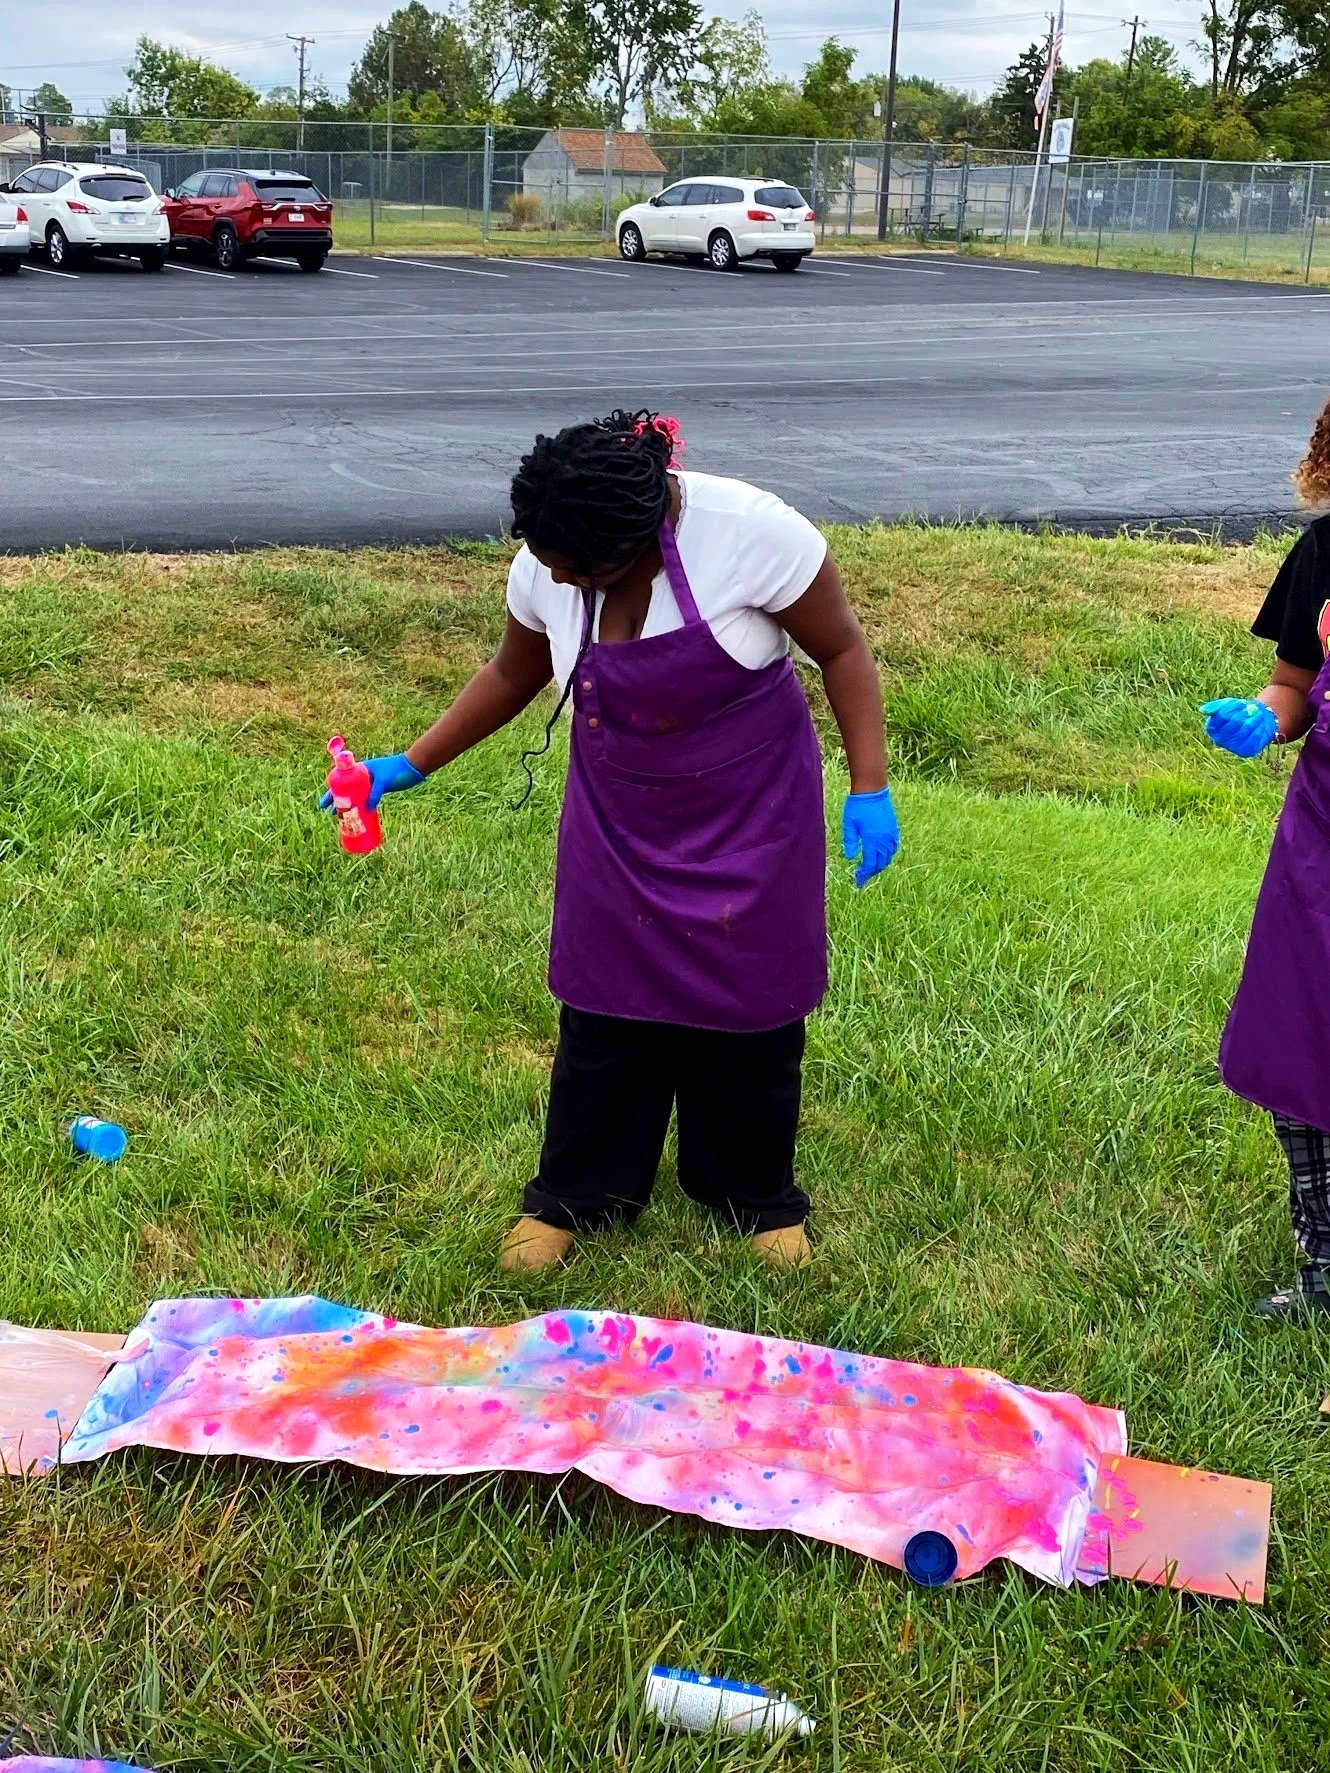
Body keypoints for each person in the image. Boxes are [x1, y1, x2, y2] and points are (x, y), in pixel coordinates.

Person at [327, 410, 897, 1273]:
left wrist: (870, 785)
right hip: (618, 818)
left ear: (637, 538)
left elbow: (844, 650)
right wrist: (408, 766)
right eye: (547, 561)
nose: (553, 576)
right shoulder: (550, 557)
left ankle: (751, 1191)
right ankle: (578, 1191)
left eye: (573, 569)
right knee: (603, 1007)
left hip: (751, 812)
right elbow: (513, 671)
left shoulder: (754, 535)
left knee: (753, 1008)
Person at [1205, 392, 1330, 1318]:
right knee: (1301, 1047)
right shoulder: (1325, 552)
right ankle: (1325, 1266)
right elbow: (1294, 683)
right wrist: (1266, 717)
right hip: (1321, 848)